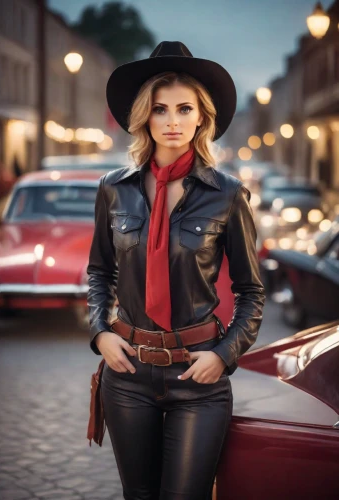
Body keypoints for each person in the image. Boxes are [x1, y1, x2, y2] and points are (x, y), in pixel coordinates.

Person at [86, 41, 265, 500]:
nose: (172, 121)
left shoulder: (227, 194)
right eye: (160, 109)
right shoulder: (113, 189)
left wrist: (223, 355)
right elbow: (99, 273)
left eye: (184, 109)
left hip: (197, 376)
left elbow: (251, 292)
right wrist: (101, 334)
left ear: (202, 117)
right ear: (144, 115)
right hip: (127, 375)